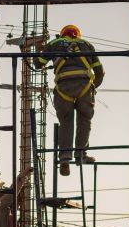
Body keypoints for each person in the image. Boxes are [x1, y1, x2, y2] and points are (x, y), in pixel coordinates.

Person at [34, 24, 104, 176]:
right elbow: (100, 71)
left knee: (66, 122)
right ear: (77, 35)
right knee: (84, 120)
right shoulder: (86, 45)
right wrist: (93, 88)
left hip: (63, 88)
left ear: (62, 34)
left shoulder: (53, 44)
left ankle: (65, 159)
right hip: (84, 88)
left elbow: (38, 64)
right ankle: (81, 156)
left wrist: (38, 50)